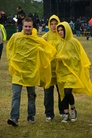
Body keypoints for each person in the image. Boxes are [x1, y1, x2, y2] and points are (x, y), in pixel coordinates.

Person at [6, 17, 56, 127]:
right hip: (18, 72)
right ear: (22, 27)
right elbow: (9, 49)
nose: (28, 28)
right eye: (26, 26)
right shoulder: (15, 37)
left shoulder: (36, 39)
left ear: (32, 27)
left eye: (29, 26)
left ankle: (31, 116)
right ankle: (14, 117)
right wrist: (12, 61)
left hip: (31, 72)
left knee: (31, 95)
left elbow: (46, 49)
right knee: (16, 94)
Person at [55, 21, 92, 123]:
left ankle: (73, 109)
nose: (60, 32)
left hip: (71, 71)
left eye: (62, 30)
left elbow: (78, 57)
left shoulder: (74, 42)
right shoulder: (58, 43)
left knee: (67, 91)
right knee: (62, 93)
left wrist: (66, 58)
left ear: (67, 30)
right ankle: (66, 114)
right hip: (61, 72)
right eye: (59, 30)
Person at [42, 14, 63, 122]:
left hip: (59, 69)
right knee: (48, 92)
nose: (54, 26)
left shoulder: (61, 36)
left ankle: (63, 111)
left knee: (61, 91)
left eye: (55, 24)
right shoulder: (45, 37)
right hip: (49, 70)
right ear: (49, 25)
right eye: (52, 24)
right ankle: (49, 113)